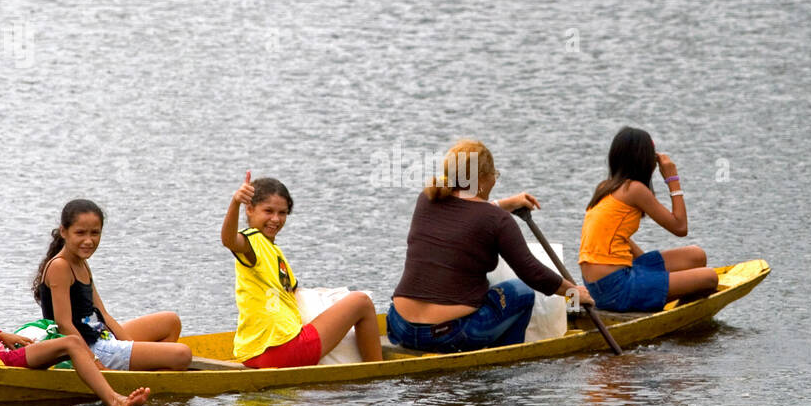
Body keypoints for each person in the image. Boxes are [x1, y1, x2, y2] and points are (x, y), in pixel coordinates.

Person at [388, 139, 592, 353]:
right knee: (521, 292)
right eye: (494, 174)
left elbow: (467, 215)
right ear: (483, 180)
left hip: (401, 326)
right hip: (449, 335)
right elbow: (532, 273)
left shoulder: (427, 199)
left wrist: (506, 204)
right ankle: (505, 364)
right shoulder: (497, 220)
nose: (495, 179)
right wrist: (573, 293)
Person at [0, 228, 150, 406]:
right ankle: (114, 401)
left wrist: (0, 334)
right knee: (72, 343)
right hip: (2, 360)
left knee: (59, 343)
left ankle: (93, 383)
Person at [221, 172, 383, 368]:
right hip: (284, 351)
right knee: (361, 302)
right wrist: (235, 202)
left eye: (282, 213)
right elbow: (229, 240)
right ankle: (377, 370)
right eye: (268, 211)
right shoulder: (252, 242)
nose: (275, 219)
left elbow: (292, 296)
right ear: (250, 209)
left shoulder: (273, 251)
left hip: (252, 354)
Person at [32, 199, 192, 371]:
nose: (88, 241)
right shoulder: (60, 266)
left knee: (170, 321)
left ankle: (145, 373)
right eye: (80, 233)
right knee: (182, 354)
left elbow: (104, 315)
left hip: (100, 336)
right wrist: (93, 362)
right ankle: (145, 373)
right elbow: (64, 325)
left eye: (95, 233)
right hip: (83, 348)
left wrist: (130, 346)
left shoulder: (81, 262)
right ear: (64, 231)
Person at [578, 126, 718, 312]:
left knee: (696, 255)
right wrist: (672, 178)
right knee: (709, 278)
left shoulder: (605, 187)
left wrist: (649, 270)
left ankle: (655, 295)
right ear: (646, 161)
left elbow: (621, 238)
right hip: (615, 288)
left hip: (598, 285)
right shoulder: (634, 189)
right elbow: (680, 227)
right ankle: (671, 314)